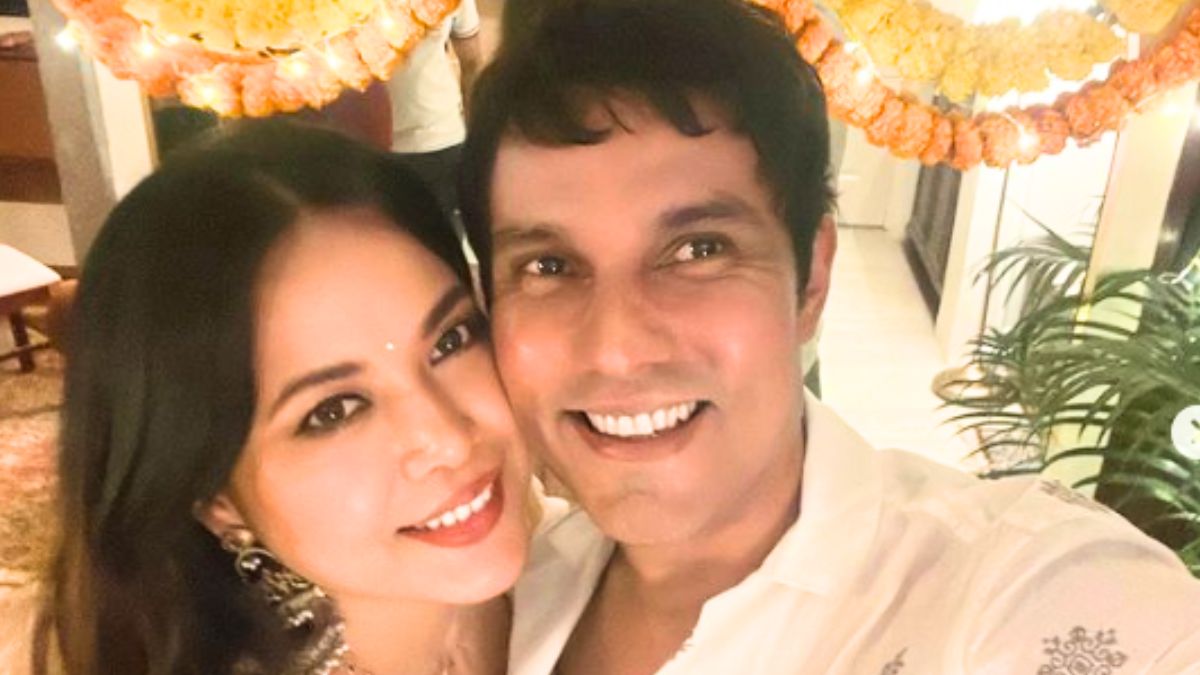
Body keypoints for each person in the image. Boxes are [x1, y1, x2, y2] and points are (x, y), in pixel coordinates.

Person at [458, 0, 1200, 672]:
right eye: (548, 266)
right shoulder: (514, 590)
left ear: (811, 278)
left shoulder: (1013, 587)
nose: (616, 348)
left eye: (699, 250)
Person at [5, 120, 530, 675]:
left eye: (451, 340)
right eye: (333, 411)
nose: (448, 439)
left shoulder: (576, 566)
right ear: (214, 497)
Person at [386, 0, 483, 219]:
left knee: (442, 233)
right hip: (368, 141)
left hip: (440, 139)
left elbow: (472, 63)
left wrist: (476, 139)